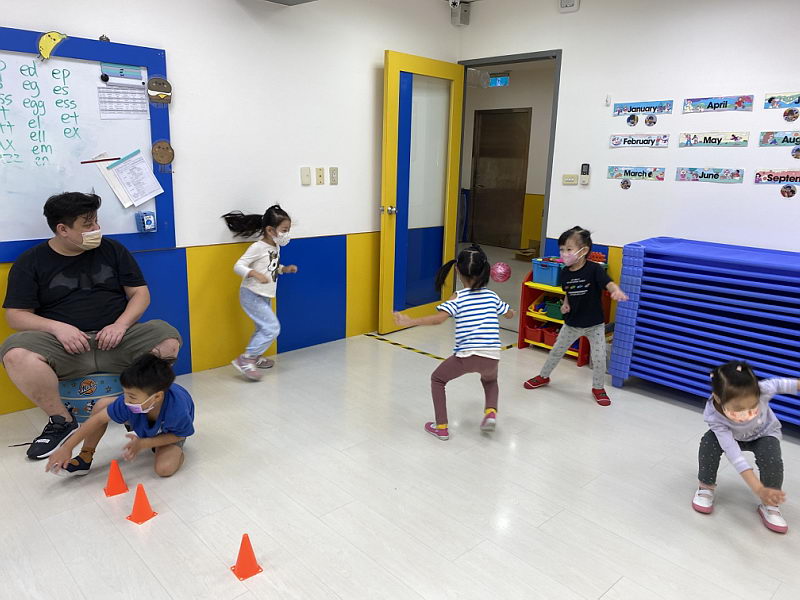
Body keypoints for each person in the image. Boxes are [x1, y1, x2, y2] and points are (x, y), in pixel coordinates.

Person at [0, 192, 181, 459]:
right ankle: (61, 422)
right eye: (88, 224)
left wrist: (120, 325)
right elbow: (15, 316)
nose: (96, 228)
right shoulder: (31, 262)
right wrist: (58, 328)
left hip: (117, 340)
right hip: (65, 347)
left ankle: (142, 412)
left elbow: (140, 294)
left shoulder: (113, 250)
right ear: (63, 229)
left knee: (167, 338)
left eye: (96, 221)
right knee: (14, 353)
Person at [394, 244, 515, 440]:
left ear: (457, 270)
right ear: (485, 270)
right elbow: (509, 314)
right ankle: (491, 412)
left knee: (438, 379)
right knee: (490, 381)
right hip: (492, 355)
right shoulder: (492, 296)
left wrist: (410, 321)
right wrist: (511, 312)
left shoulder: (458, 297)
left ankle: (441, 426)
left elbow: (439, 319)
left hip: (466, 356)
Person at [523, 226, 628, 405]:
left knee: (599, 358)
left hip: (594, 324)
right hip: (571, 324)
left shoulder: (594, 269)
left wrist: (615, 290)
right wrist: (566, 303)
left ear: (583, 251)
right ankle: (543, 376)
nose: (564, 254)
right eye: (562, 249)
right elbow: (568, 292)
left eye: (569, 249)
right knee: (556, 352)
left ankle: (598, 388)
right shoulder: (565, 272)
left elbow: (608, 283)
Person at [46, 354, 194, 477]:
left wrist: (146, 443)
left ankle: (164, 446)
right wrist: (67, 447)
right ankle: (85, 456)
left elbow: (179, 435)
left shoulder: (177, 410)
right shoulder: (128, 402)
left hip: (170, 432)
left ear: (157, 397)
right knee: (102, 405)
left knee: (164, 469)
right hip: (142, 411)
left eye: (132, 396)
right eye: (125, 393)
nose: (126, 400)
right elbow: (97, 420)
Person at [692, 361, 797, 534]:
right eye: (739, 408)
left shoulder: (763, 389)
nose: (747, 414)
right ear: (718, 398)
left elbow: (784, 384)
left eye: (753, 406)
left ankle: (770, 504)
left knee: (772, 460)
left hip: (763, 433)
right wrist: (758, 488)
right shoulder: (713, 415)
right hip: (733, 437)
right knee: (708, 443)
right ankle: (706, 486)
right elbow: (735, 456)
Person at [222, 204, 297, 381]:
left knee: (262, 328)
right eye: (284, 230)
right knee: (272, 328)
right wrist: (254, 274)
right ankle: (246, 359)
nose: (287, 234)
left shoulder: (275, 246)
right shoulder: (258, 247)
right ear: (270, 230)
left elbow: (271, 267)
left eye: (288, 230)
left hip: (265, 294)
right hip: (251, 293)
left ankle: (254, 357)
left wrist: (284, 269)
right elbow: (238, 266)